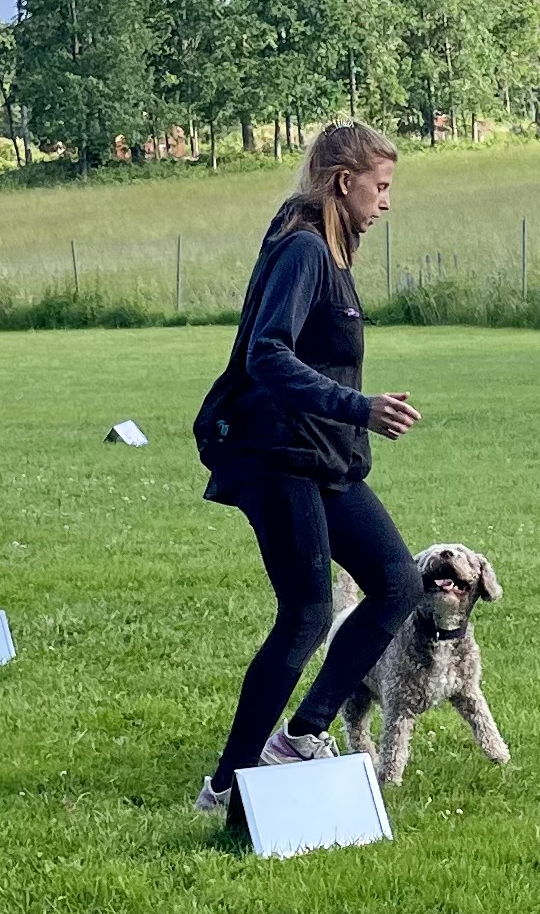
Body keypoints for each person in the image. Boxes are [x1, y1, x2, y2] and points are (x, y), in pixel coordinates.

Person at [192, 121, 423, 812]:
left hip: (322, 455)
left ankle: (300, 738)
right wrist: (359, 407)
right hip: (277, 453)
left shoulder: (332, 252)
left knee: (395, 581)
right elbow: (267, 354)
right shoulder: (301, 250)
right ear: (342, 181)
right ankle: (227, 785)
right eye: (379, 187)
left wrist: (351, 426)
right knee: (307, 611)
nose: (386, 202)